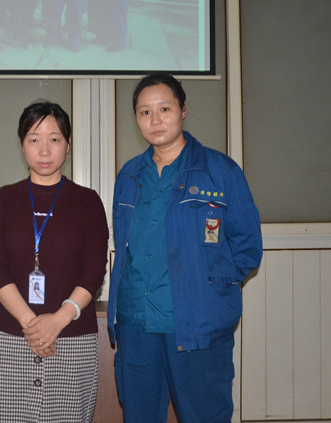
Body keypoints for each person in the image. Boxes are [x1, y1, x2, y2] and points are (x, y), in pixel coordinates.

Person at [108, 73, 263, 423]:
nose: (155, 119)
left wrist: (210, 286)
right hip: (136, 325)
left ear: (182, 110)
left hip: (196, 325)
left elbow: (247, 247)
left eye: (164, 108)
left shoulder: (219, 171)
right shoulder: (129, 175)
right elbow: (126, 246)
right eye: (144, 112)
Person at [0, 101, 109, 423]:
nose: (44, 150)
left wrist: (58, 320)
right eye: (34, 139)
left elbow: (94, 271)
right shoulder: (1, 200)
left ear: (68, 145)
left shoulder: (88, 201)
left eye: (54, 139)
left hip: (72, 337)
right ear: (21, 145)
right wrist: (33, 326)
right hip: (11, 337)